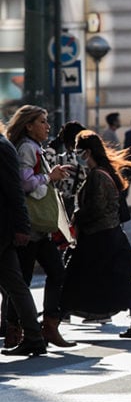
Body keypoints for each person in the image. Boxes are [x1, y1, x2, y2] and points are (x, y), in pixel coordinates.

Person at [60, 131, 131, 339]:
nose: (77, 156)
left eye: (79, 151)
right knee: (124, 281)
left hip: (99, 238)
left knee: (74, 278)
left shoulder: (98, 175)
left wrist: (76, 217)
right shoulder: (103, 172)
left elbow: (96, 208)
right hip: (111, 236)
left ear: (88, 152)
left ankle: (52, 322)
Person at [4, 105, 76, 349]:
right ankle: (17, 331)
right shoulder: (26, 148)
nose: (47, 126)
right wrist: (50, 177)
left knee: (51, 274)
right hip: (30, 226)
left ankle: (48, 326)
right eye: (42, 122)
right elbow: (23, 183)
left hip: (39, 228)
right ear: (29, 125)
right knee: (20, 281)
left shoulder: (34, 148)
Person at [0, 127, 47, 356]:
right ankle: (34, 337)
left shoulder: (3, 148)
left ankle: (33, 336)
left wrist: (22, 227)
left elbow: (15, 192)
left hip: (2, 229)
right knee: (16, 286)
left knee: (16, 286)